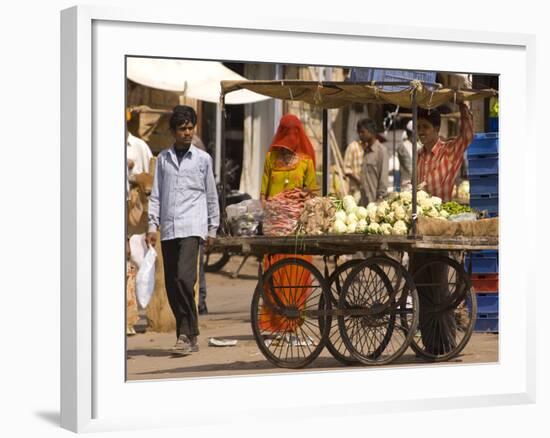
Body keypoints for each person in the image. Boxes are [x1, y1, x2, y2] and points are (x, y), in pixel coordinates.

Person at [146, 105, 219, 355]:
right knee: (171, 285)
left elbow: (211, 196)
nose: (187, 132)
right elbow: (156, 194)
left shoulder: (202, 160)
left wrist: (212, 229)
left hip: (192, 227)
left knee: (184, 279)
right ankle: (186, 334)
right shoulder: (163, 160)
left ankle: (187, 334)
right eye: (182, 129)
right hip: (168, 228)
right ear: (173, 131)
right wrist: (151, 225)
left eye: (190, 128)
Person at [410, 101, 474, 355]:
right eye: (418, 127)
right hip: (420, 223)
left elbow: (468, 135)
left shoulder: (449, 150)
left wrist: (463, 106)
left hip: (439, 226)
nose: (421, 131)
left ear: (437, 128)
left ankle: (445, 343)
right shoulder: (419, 156)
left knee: (437, 285)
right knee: (417, 280)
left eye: (425, 127)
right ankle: (429, 343)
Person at [258, 114, 318, 342]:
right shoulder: (270, 158)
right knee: (274, 275)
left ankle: (292, 324)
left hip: (296, 230)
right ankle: (274, 324)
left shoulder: (305, 162)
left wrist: (294, 206)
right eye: (285, 130)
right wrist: (275, 211)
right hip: (275, 229)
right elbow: (263, 194)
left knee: (296, 274)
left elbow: (311, 193)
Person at [344, 118, 389, 205]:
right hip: (364, 201)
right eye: (359, 132)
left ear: (370, 132)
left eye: (362, 132)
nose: (360, 135)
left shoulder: (381, 151)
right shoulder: (366, 151)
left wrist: (380, 199)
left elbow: (383, 179)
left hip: (375, 202)